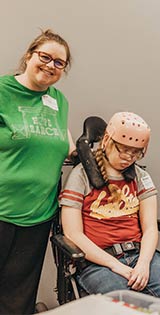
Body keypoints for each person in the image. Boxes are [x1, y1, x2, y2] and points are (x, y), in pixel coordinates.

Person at [60, 112, 160, 306]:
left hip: (138, 254)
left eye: (136, 152)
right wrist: (116, 266)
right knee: (129, 306)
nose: (129, 157)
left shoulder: (141, 177)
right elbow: (73, 234)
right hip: (98, 262)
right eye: (124, 150)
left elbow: (150, 228)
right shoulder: (81, 177)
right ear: (108, 140)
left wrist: (143, 263)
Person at [0, 29, 75, 314]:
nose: (51, 66)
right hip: (2, 210)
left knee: (18, 296)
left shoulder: (59, 100)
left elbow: (62, 140)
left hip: (38, 215)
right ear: (29, 55)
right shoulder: (3, 90)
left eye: (59, 63)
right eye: (45, 57)